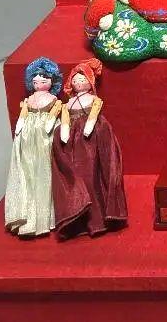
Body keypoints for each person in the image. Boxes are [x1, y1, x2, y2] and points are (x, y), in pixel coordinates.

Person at [51, 60, 127, 239]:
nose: (78, 83)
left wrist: (90, 125)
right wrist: (64, 130)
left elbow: (94, 114)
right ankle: (77, 214)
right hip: (72, 141)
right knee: (75, 175)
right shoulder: (68, 103)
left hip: (91, 137)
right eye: (75, 80)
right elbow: (65, 118)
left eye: (82, 79)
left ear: (90, 81)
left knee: (92, 172)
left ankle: (98, 218)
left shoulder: (94, 100)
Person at [4, 57, 63, 238]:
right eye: (36, 76)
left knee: (46, 168)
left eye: (44, 76)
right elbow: (23, 115)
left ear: (52, 80)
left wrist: (50, 123)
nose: (40, 78)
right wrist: (20, 127)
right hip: (28, 135)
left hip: (46, 133)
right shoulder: (29, 100)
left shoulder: (54, 99)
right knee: (29, 168)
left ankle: (48, 215)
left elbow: (55, 112)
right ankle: (28, 213)